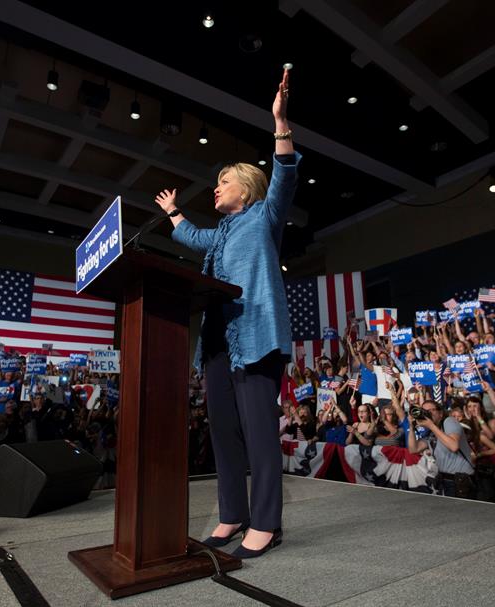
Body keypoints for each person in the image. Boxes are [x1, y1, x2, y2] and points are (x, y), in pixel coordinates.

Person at [154, 67, 298, 558]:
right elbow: (193, 238)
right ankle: (233, 514)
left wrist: (280, 123)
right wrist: (175, 214)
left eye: (223, 182)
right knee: (224, 435)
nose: (216, 189)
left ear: (248, 188)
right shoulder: (218, 234)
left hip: (256, 337)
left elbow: (285, 174)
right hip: (216, 340)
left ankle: (267, 524)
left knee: (259, 435)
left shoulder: (265, 214)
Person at [407, 400, 476, 499]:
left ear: (440, 413)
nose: (428, 413)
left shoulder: (449, 421)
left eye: (432, 410)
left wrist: (431, 425)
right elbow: (413, 449)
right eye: (425, 411)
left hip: (461, 480)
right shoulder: (432, 433)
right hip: (445, 480)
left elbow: (453, 446)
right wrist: (411, 426)